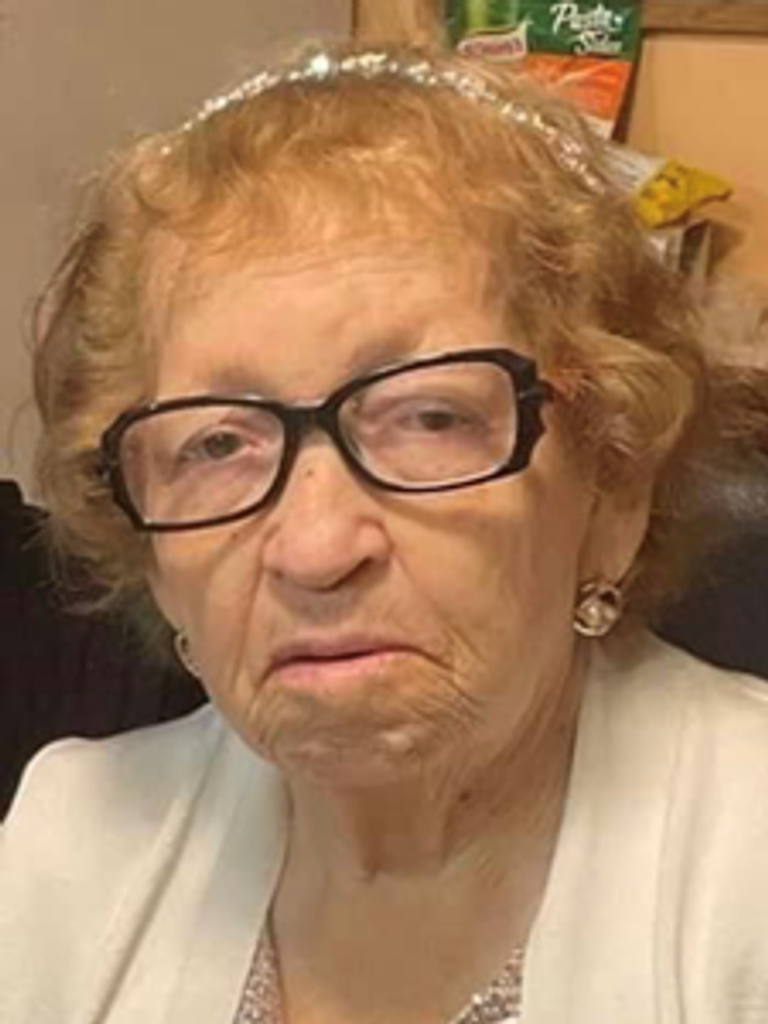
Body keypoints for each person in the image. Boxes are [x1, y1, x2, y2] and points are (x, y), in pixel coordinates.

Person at [2, 42, 768, 1024]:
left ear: (612, 488)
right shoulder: (67, 853)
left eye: (429, 417)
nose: (316, 550)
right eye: (218, 442)